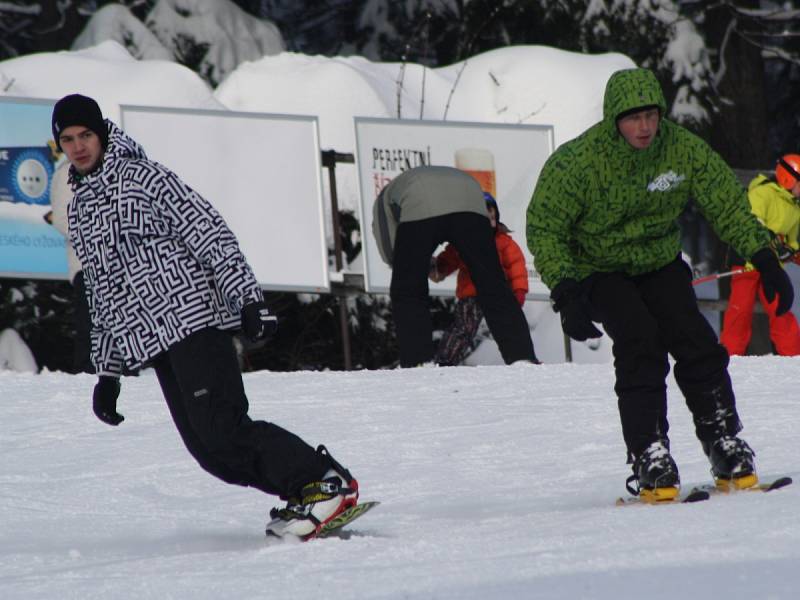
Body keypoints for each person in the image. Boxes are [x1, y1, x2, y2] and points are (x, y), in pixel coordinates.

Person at [52, 93, 359, 539]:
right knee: (210, 453)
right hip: (155, 342)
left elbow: (209, 232)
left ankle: (322, 481)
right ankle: (306, 490)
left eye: (86, 135)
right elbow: (103, 292)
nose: (79, 146)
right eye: (68, 139)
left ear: (101, 133)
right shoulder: (80, 209)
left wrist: (248, 300)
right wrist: (109, 374)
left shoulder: (143, 178)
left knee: (222, 429)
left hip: (192, 321)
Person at [527, 67, 794, 502]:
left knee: (695, 339)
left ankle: (724, 442)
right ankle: (650, 454)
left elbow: (725, 199)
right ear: (614, 118)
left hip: (657, 261)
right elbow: (545, 226)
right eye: (634, 118)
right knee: (640, 341)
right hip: (598, 267)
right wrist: (566, 290)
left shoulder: (679, 148)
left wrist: (763, 258)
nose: (645, 127)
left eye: (651, 115)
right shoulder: (579, 162)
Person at [372, 165, 538, 367]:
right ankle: (521, 356)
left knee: (408, 289)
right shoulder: (406, 187)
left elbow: (393, 254)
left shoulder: (384, 200)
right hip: (470, 196)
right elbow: (457, 249)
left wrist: (418, 266)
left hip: (420, 198)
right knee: (493, 285)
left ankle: (418, 362)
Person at [430, 192, 529, 365]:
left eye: (492, 217)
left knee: (508, 327)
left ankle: (521, 359)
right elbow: (450, 258)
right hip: (471, 294)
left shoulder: (504, 242)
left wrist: (519, 291)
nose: (490, 220)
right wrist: (439, 267)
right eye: (485, 217)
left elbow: (516, 267)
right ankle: (445, 360)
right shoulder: (465, 240)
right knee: (464, 328)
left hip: (498, 294)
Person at [720, 154, 800, 356]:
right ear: (788, 178)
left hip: (772, 269)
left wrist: (793, 250)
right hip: (747, 262)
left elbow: (790, 240)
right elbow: (752, 222)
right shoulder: (762, 192)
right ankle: (731, 357)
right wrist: (774, 242)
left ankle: (793, 356)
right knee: (740, 310)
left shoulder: (795, 208)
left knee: (780, 308)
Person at [45, 159, 94, 373]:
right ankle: (89, 379)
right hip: (88, 265)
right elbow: (63, 219)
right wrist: (103, 237)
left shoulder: (111, 168)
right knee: (92, 330)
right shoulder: (69, 172)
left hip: (118, 268)